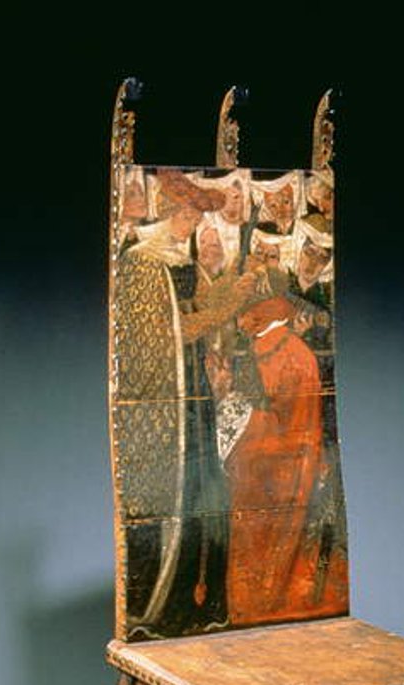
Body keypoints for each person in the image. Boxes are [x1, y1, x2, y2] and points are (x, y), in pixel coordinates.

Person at [117, 169, 256, 637]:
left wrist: (237, 287)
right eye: (192, 213)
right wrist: (230, 302)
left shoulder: (178, 255)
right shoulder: (142, 260)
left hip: (190, 388)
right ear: (176, 211)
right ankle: (159, 605)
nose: (197, 223)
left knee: (203, 489)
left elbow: (195, 305)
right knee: (171, 491)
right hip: (164, 397)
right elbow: (169, 332)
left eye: (200, 214)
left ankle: (197, 601)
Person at [222, 295, 346, 624]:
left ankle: (255, 611)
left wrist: (228, 409)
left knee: (265, 546)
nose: (241, 321)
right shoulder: (275, 347)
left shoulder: (290, 354)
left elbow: (286, 424)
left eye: (247, 312)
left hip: (274, 467)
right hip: (278, 465)